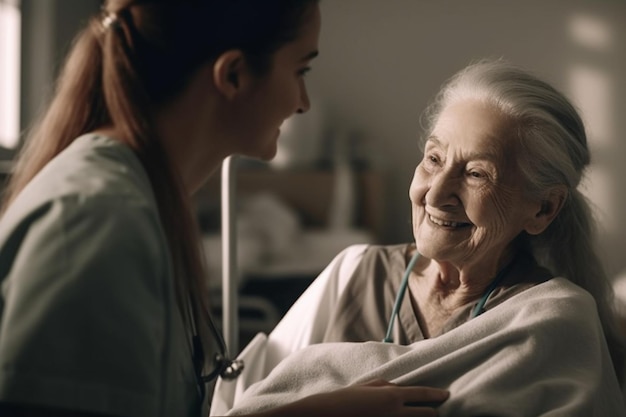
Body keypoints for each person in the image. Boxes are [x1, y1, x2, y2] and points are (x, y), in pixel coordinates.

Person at [0, 1, 450, 416]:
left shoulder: (145, 204)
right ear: (233, 75)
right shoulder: (97, 223)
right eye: (300, 70)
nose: (303, 102)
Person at [212, 59, 626, 416]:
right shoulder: (355, 273)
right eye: (433, 159)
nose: (435, 192)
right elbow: (241, 405)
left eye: (476, 174)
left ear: (542, 209)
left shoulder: (557, 324)